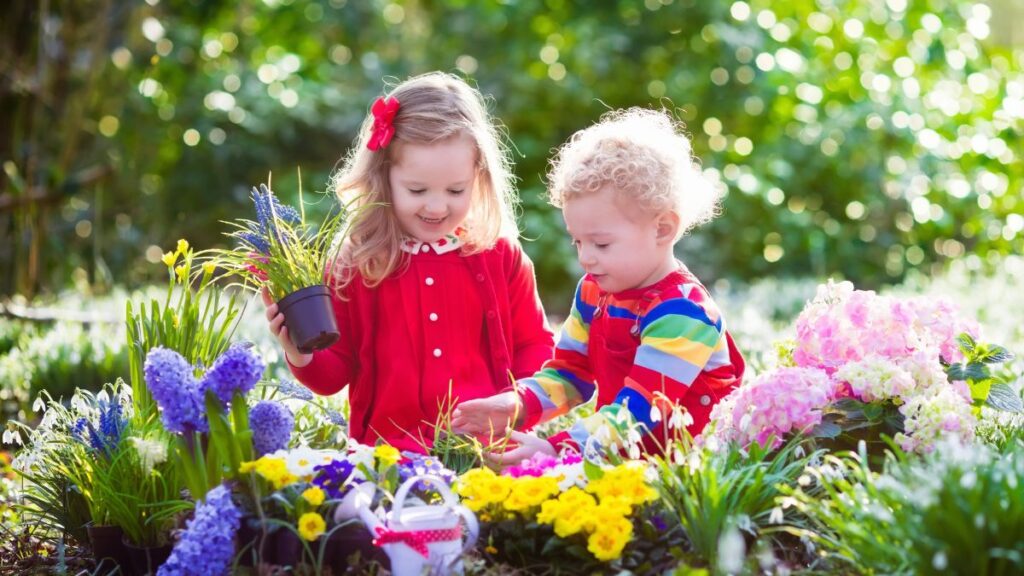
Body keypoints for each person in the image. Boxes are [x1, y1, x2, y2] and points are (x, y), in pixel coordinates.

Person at [263, 72, 554, 452]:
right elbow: (333, 372)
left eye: (455, 190)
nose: (436, 206)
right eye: (417, 190)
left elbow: (536, 347)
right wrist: (300, 352)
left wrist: (516, 405)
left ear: (478, 176)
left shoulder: (498, 254)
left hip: (488, 452)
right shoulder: (358, 262)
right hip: (389, 455)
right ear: (382, 178)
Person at [451, 108, 745, 460]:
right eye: (578, 241)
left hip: (685, 477)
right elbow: (569, 375)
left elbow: (636, 414)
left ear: (662, 229)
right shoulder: (595, 291)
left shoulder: (685, 314)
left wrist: (556, 449)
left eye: (601, 243)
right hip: (614, 461)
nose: (585, 258)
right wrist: (515, 405)